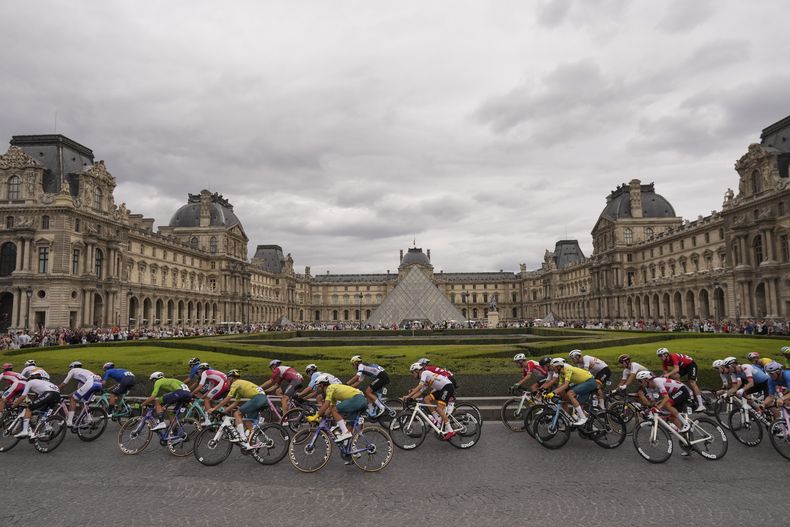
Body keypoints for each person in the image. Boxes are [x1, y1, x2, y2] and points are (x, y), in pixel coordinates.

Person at [208, 370, 267, 449]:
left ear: (231, 378)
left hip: (258, 399)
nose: (227, 383)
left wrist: (214, 408)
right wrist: (222, 412)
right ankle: (256, 443)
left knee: (237, 414)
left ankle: (242, 438)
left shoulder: (236, 383)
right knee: (247, 421)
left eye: (227, 381)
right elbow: (236, 403)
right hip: (262, 399)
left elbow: (228, 398)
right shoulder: (240, 386)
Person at [307, 374, 368, 445]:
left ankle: (345, 433)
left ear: (322, 385)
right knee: (349, 430)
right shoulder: (333, 394)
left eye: (317, 386)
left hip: (358, 399)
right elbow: (330, 408)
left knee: (334, 410)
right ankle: (352, 450)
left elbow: (326, 404)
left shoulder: (330, 388)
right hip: (360, 400)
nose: (317, 389)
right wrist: (321, 418)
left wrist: (315, 416)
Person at [403, 362, 456, 440]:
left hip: (447, 387)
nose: (412, 374)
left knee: (439, 408)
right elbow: (420, 391)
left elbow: (419, 386)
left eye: (412, 372)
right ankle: (437, 419)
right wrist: (411, 398)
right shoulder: (426, 379)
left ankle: (450, 431)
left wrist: (408, 396)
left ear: (417, 370)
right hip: (441, 389)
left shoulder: (425, 373)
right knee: (426, 399)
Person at [543, 358, 595, 426]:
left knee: (570, 393)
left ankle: (583, 418)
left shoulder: (567, 369)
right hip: (583, 383)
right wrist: (549, 394)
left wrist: (553, 393)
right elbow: (560, 387)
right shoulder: (561, 374)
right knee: (578, 404)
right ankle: (590, 424)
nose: (552, 369)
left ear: (558, 366)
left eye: (553, 367)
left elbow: (565, 385)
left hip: (589, 381)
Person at [11, 372, 61, 438]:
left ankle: (25, 431)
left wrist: (13, 405)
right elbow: (39, 398)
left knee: (29, 409)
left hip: (49, 394)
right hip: (57, 395)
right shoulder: (44, 383)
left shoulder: (30, 382)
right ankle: (47, 428)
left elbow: (23, 396)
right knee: (44, 412)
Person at [657, 348, 705, 412]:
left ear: (666, 354)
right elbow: (665, 374)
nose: (660, 357)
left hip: (691, 365)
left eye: (661, 355)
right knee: (674, 376)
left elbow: (676, 369)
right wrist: (663, 377)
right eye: (659, 356)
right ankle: (684, 390)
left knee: (692, 382)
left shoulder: (673, 356)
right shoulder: (664, 362)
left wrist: (667, 374)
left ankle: (701, 405)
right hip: (683, 367)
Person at [58, 361, 102, 427]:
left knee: (73, 399)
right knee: (82, 401)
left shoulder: (73, 370)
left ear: (72, 367)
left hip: (91, 383)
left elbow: (64, 384)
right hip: (98, 384)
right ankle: (89, 419)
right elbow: (79, 390)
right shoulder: (85, 372)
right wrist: (70, 395)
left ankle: (69, 421)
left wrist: (56, 390)